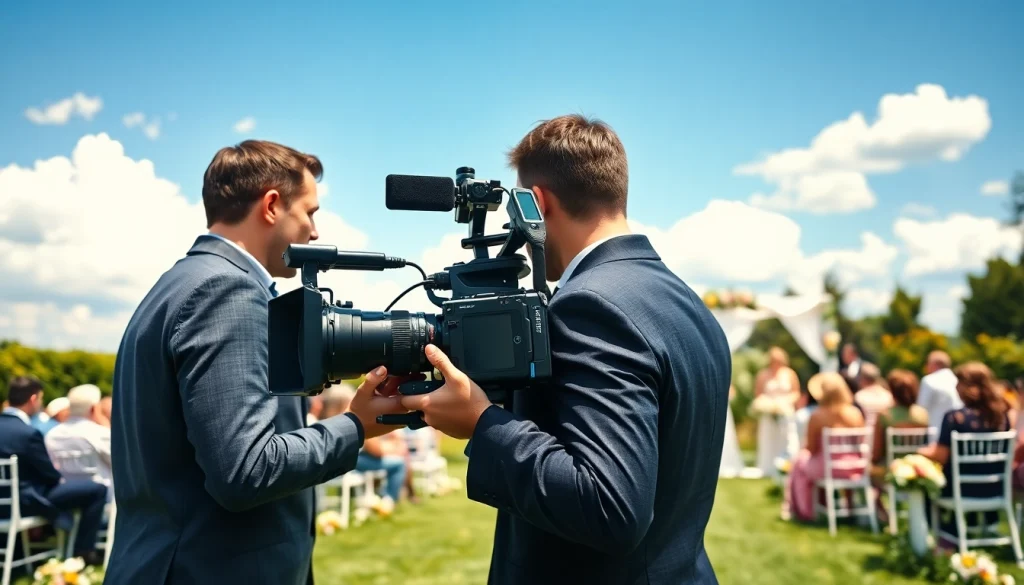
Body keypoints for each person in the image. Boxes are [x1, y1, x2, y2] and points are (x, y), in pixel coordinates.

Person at [399, 115, 732, 584]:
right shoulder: (687, 303)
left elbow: (610, 505)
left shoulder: (589, 304)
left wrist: (481, 422)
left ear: (536, 202)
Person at [104, 140, 409, 585]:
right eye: (310, 211)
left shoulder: (178, 284)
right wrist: (356, 425)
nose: (315, 231)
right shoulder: (227, 291)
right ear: (271, 205)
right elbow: (246, 470)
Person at [0, 376, 107, 565]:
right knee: (97, 490)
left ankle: (61, 526)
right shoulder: (27, 433)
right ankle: (83, 552)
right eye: (41, 399)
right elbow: (49, 475)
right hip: (26, 501)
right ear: (33, 399)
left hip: (5, 502)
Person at [919, 362, 1011, 544]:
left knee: (924, 484)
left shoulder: (955, 418)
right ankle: (961, 528)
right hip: (994, 488)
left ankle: (942, 534)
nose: (955, 387)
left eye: (959, 382)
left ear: (968, 386)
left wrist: (920, 452)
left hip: (959, 490)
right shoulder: (1002, 417)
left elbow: (941, 456)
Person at [784, 372, 866, 522]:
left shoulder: (817, 416)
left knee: (798, 463)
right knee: (804, 462)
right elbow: (861, 443)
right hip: (854, 467)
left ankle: (804, 511)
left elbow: (812, 448)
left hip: (828, 468)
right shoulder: (855, 413)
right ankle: (849, 507)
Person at [753, 347, 801, 478]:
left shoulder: (790, 373)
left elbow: (796, 392)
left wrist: (785, 402)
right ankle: (767, 466)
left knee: (786, 438)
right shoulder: (763, 374)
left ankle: (786, 464)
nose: (776, 363)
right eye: (773, 361)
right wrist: (766, 404)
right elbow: (758, 393)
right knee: (768, 439)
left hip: (785, 411)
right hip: (768, 413)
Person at [916, 350, 963, 436]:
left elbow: (921, 407)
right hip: (959, 433)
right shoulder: (957, 380)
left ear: (934, 364)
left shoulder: (928, 380)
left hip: (937, 433)